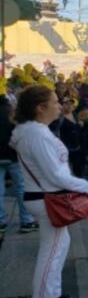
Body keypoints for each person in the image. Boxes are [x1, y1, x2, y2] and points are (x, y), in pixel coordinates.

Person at [11, 86, 88, 298]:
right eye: (55, 102)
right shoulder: (37, 135)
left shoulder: (33, 132)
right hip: (47, 198)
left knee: (58, 246)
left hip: (43, 196)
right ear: (41, 108)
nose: (60, 106)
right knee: (51, 252)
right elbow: (56, 175)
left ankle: (51, 293)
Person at [0, 85, 38, 233]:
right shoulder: (12, 111)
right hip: (13, 155)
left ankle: (1, 222)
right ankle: (26, 220)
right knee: (22, 187)